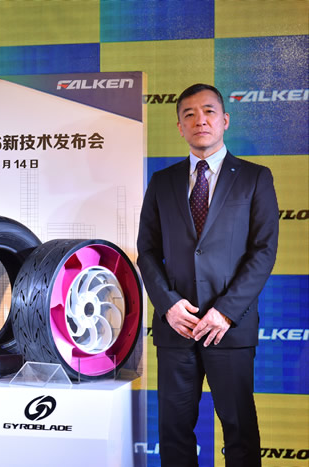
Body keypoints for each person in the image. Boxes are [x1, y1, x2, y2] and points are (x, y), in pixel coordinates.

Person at [137, 83, 279, 467]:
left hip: (229, 328)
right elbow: (146, 251)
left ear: (225, 120)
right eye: (189, 114)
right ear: (180, 126)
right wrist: (168, 305)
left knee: (240, 434)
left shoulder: (254, 178)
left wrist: (226, 311)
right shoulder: (162, 181)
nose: (200, 120)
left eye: (209, 111)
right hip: (176, 328)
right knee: (174, 434)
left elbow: (264, 251)